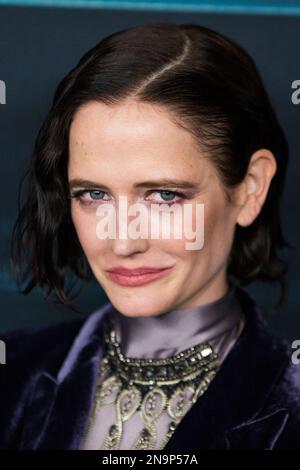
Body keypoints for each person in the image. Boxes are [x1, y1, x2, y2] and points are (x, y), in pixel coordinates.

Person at [1, 21, 300, 450]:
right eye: (93, 194)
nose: (122, 242)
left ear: (251, 188)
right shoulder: (12, 375)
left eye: (163, 195)